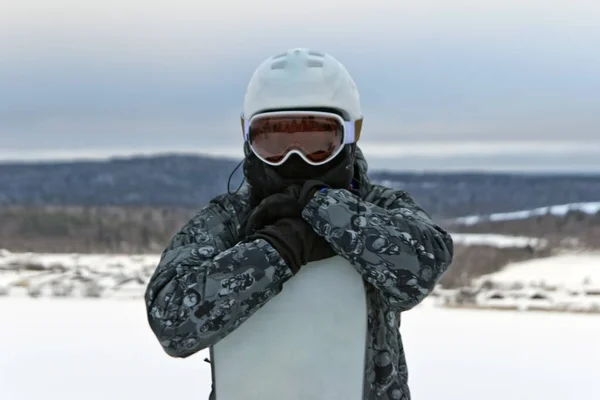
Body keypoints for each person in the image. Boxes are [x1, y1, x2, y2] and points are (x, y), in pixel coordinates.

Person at [144, 48, 454, 400]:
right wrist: (277, 247)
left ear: (353, 133)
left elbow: (422, 267)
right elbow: (171, 323)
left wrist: (325, 211)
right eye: (274, 141)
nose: (295, 158)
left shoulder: (379, 207)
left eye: (317, 142)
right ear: (248, 136)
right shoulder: (229, 218)